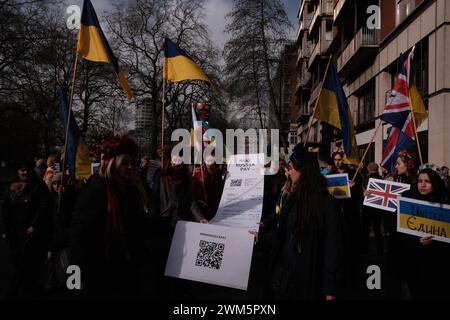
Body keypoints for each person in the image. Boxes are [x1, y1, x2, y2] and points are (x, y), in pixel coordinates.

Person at [253, 144, 343, 300]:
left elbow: (332, 247)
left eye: (292, 168)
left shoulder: (327, 203)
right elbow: (283, 233)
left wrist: (330, 289)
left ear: (304, 171)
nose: (289, 172)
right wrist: (260, 236)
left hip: (308, 277)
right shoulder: (293, 198)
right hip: (285, 276)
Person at [68, 135, 150, 298]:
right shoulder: (94, 192)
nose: (130, 167)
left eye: (132, 163)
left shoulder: (131, 190)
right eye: (124, 163)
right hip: (100, 272)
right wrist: (76, 280)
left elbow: (137, 227)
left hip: (127, 269)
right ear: (112, 164)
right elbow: (78, 238)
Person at [0, 162, 51, 297]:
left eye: (27, 170)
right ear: (18, 172)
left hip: (32, 234)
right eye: (22, 170)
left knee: (30, 265)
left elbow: (44, 208)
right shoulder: (11, 188)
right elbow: (5, 210)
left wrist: (34, 225)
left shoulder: (39, 187)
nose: (25, 173)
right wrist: (4, 230)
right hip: (14, 234)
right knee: (15, 264)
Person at [399, 165, 450, 299]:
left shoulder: (445, 202)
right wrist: (415, 241)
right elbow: (399, 233)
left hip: (438, 265)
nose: (422, 185)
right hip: (414, 263)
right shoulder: (407, 200)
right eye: (420, 181)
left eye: (427, 182)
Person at [192, 155, 225, 220]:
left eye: (211, 161)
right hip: (203, 202)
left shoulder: (217, 172)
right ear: (204, 161)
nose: (209, 164)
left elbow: (220, 186)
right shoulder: (198, 172)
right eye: (208, 161)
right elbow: (194, 189)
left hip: (215, 201)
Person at [361, 162, 384, 256]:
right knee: (378, 230)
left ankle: (365, 250)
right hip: (377, 209)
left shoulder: (367, 179)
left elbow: (363, 192)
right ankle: (380, 250)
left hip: (367, 209)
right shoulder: (381, 179)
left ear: (369, 170)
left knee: (365, 230)